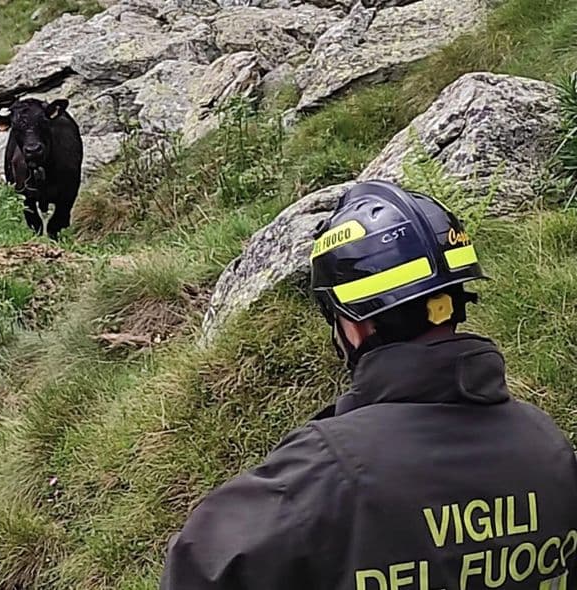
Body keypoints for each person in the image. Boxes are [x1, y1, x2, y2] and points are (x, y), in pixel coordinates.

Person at [159, 180, 577, 590]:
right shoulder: (548, 444)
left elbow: (198, 570)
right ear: (452, 302)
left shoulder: (317, 474)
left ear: (354, 325)